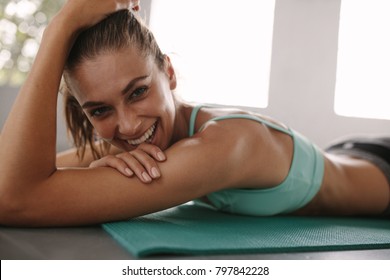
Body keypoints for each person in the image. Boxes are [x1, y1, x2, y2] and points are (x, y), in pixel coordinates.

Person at [0, 0, 389, 227]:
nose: (129, 124)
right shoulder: (146, 140)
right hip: (345, 152)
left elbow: (15, 198)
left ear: (168, 73)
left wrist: (59, 27)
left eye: (138, 91)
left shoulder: (224, 144)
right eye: (100, 110)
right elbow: (14, 180)